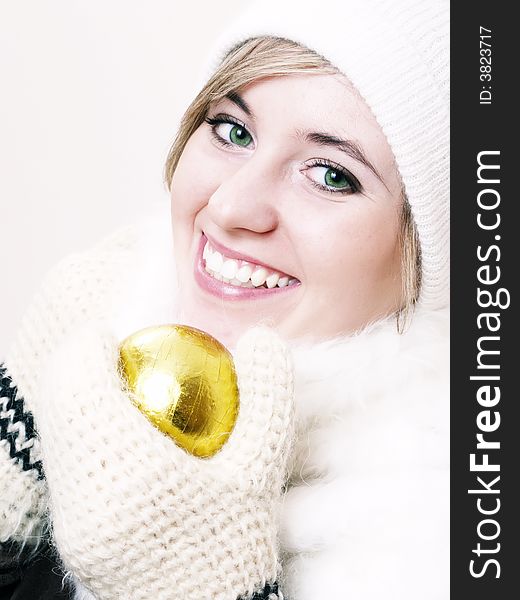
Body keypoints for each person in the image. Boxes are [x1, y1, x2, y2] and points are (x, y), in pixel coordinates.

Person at [0, 0, 449, 598]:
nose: (231, 206)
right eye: (233, 131)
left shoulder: (439, 537)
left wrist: (191, 585)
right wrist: (18, 461)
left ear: (430, 251)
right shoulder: (105, 310)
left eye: (331, 174)